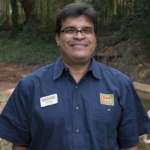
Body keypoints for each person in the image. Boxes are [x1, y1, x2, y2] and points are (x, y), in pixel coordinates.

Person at [0, 2, 150, 150]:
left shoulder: (121, 85)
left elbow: (129, 145)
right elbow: (20, 145)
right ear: (58, 38)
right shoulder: (30, 87)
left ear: (95, 37)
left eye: (86, 30)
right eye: (70, 30)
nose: (79, 36)